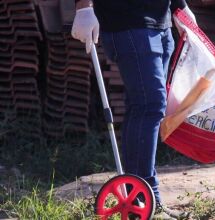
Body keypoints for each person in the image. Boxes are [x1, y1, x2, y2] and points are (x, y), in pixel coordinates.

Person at [71, 0, 196, 219]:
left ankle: (141, 198)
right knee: (150, 105)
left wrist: (179, 6)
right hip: (128, 23)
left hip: (161, 23)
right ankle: (147, 199)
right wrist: (83, 6)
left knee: (144, 106)